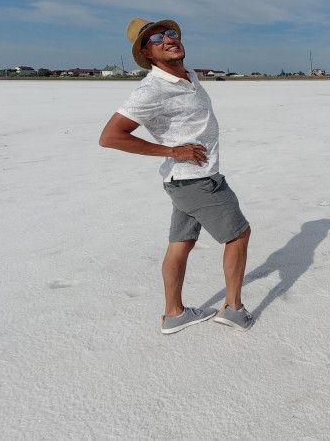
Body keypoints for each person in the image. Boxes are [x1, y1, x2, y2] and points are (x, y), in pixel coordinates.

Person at [100, 18, 254, 334]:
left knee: (181, 242)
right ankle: (234, 309)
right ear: (147, 52)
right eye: (156, 39)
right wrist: (173, 151)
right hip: (198, 180)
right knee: (239, 235)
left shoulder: (188, 76)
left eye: (170, 33)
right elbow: (110, 137)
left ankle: (174, 314)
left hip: (182, 181)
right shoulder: (152, 89)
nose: (168, 39)